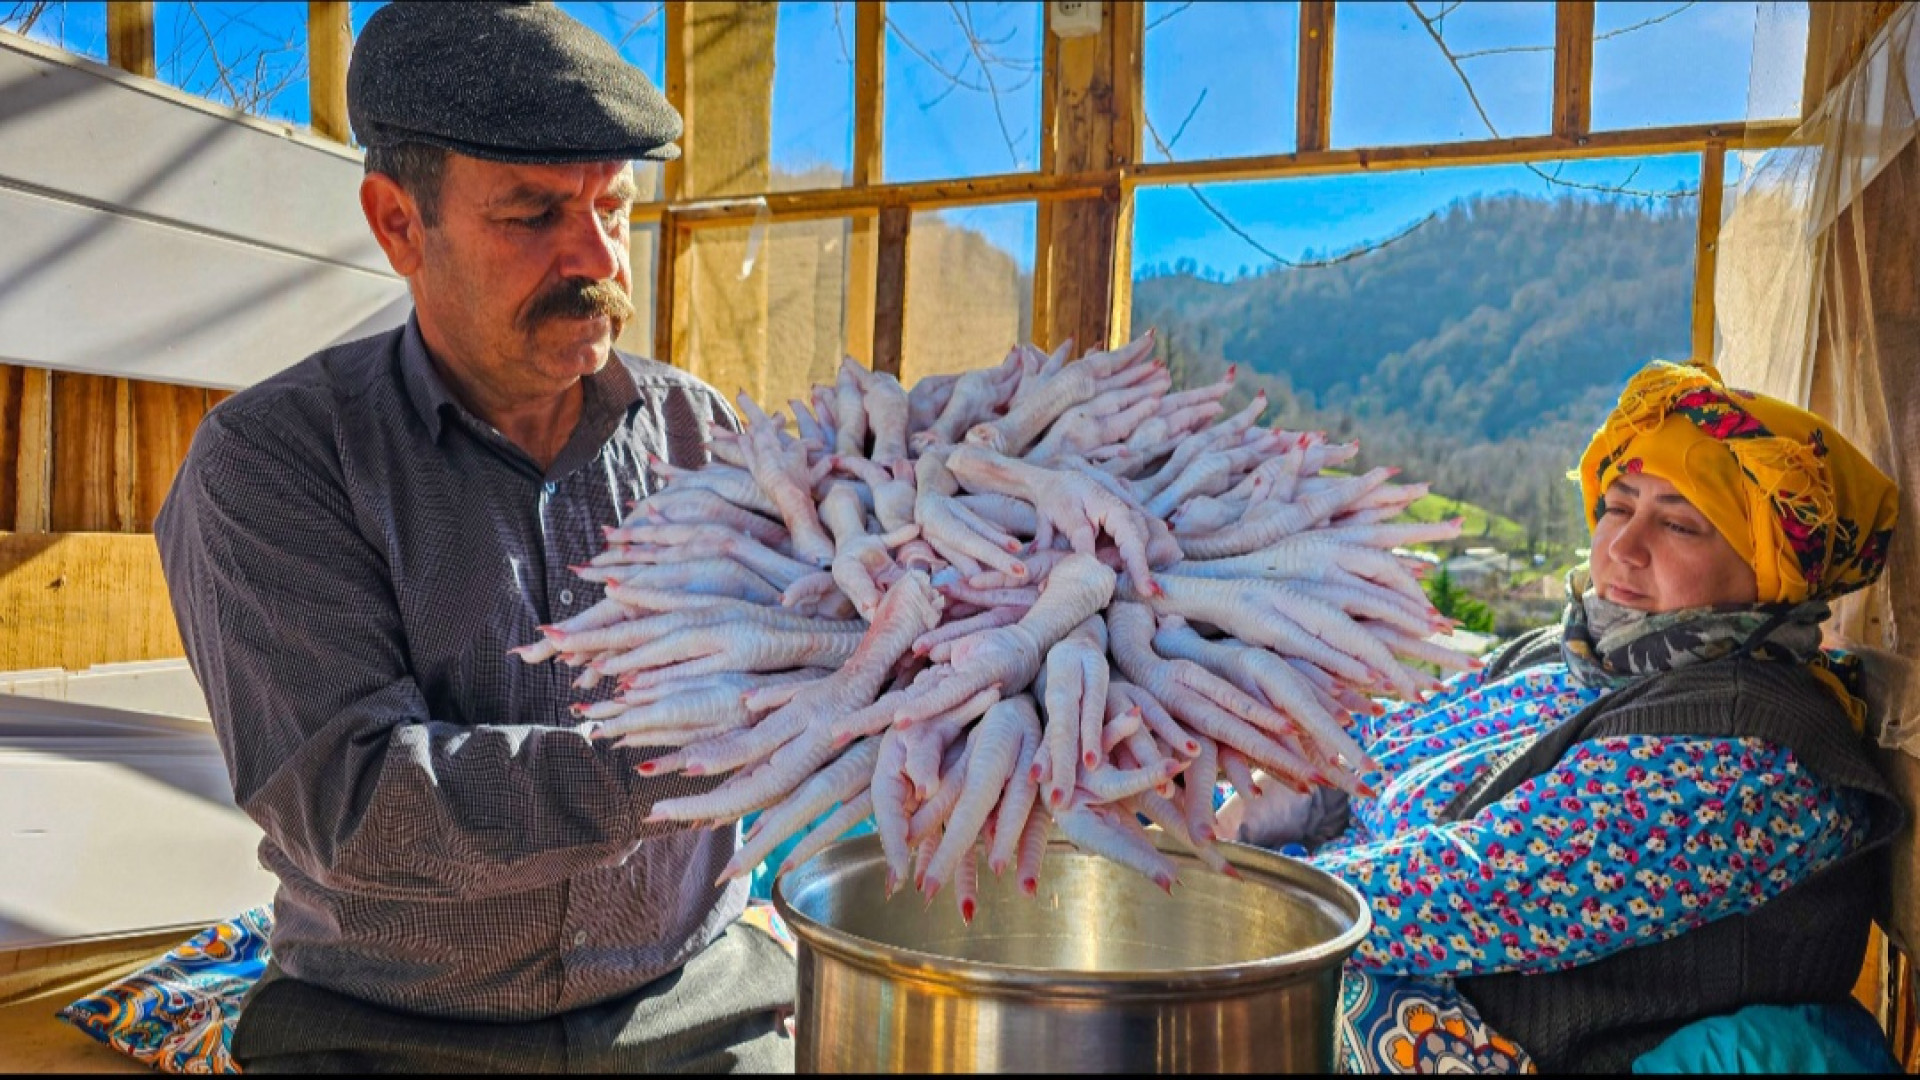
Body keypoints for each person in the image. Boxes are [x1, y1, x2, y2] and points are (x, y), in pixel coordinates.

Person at [153, 3, 794, 1072]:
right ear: (399, 223)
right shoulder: (274, 461)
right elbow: (355, 807)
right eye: (534, 213)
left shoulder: (708, 439)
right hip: (388, 1032)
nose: (597, 258)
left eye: (616, 207)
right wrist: (687, 761)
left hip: (693, 1004)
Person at [1225, 360, 1905, 1074]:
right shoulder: (1577, 656)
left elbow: (1470, 888)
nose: (1623, 546)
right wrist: (1265, 806)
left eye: (1678, 523)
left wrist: (1230, 890)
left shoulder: (1753, 757)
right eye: (1617, 505)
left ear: (1770, 570)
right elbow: (1371, 745)